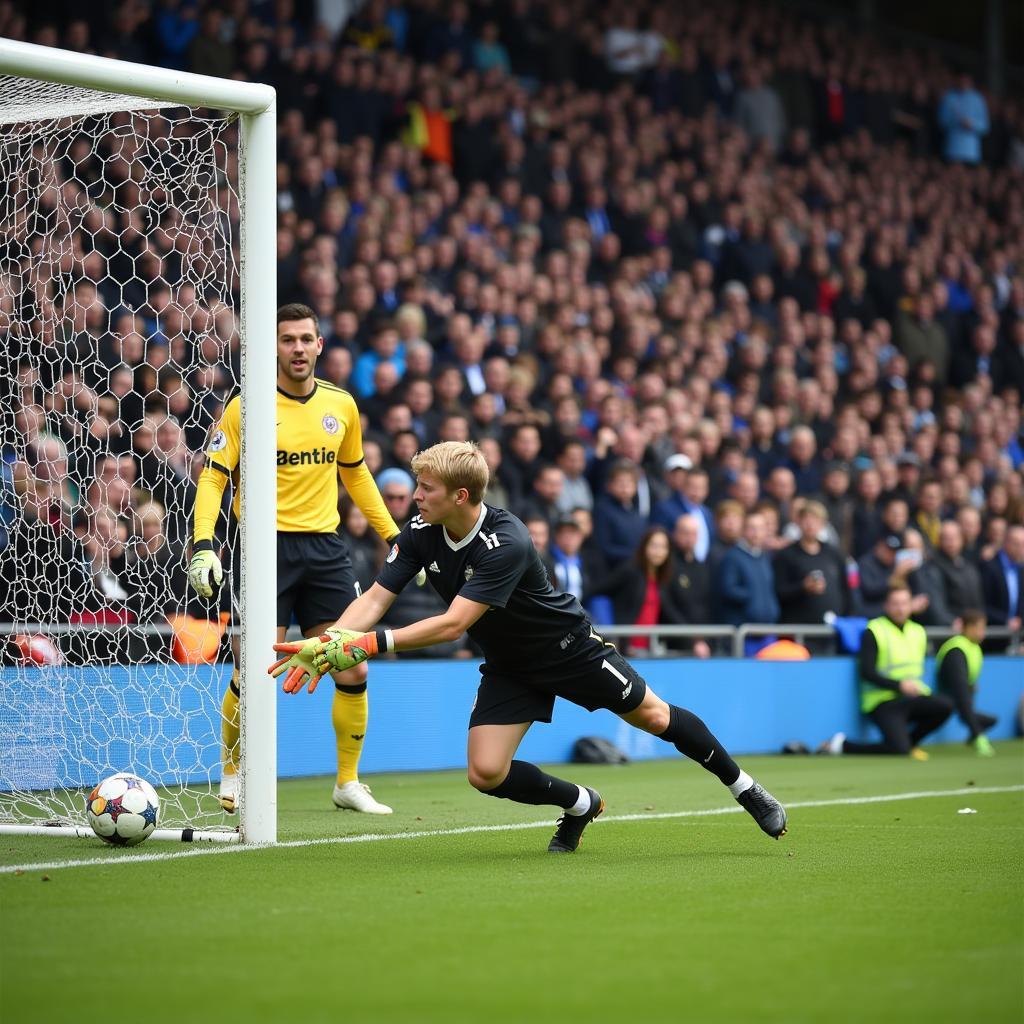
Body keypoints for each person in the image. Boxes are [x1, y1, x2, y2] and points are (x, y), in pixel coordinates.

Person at [270, 441, 788, 852]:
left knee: (655, 717)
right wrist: (328, 641)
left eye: (425, 488)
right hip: (511, 664)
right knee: (485, 773)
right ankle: (581, 803)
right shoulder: (422, 530)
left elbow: (453, 625)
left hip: (568, 648)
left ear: (462, 496)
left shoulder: (507, 540)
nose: (414, 497)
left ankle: (744, 787)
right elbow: (378, 598)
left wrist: (363, 645)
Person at [187, 303, 400, 815]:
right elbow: (214, 475)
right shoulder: (246, 407)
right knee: (256, 664)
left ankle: (347, 782)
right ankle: (235, 774)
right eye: (288, 340)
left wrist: (394, 535)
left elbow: (356, 474)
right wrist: (202, 545)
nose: (298, 348)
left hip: (325, 548)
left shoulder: (342, 405)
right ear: (274, 347)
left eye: (307, 339)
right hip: (264, 547)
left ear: (320, 345)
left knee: (349, 662)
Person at [820, 582, 953, 759]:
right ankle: (843, 746)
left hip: (913, 697)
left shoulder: (918, 631)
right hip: (883, 702)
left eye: (904, 603)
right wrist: (899, 686)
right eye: (895, 604)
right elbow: (866, 672)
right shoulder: (874, 630)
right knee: (898, 750)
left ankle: (910, 743)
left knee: (945, 705)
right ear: (886, 605)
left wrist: (909, 688)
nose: (900, 609)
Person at [935, 611, 998, 757]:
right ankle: (978, 737)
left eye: (983, 627)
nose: (982, 632)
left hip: (964, 698)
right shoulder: (956, 649)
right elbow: (958, 685)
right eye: (977, 627)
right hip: (948, 698)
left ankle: (973, 736)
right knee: (966, 709)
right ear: (965, 627)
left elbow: (969, 681)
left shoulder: (975, 648)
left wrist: (972, 686)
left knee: (992, 720)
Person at [980, 523, 1024, 636]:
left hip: (1016, 636)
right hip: (992, 635)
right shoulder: (989, 567)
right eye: (1018, 544)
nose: (1022, 549)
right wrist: (1005, 620)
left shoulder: (1020, 569)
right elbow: (982, 604)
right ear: (1006, 543)